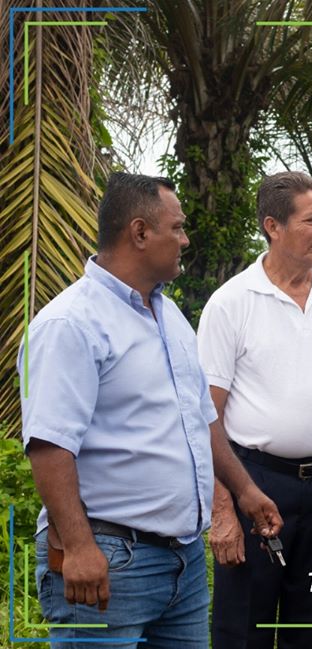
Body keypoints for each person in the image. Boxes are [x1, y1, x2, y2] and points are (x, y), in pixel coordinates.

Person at [18, 172, 282, 649]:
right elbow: (49, 445)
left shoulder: (169, 315)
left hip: (183, 563)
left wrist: (245, 490)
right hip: (109, 560)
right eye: (177, 228)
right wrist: (78, 546)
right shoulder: (69, 324)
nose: (185, 239)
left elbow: (200, 419)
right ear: (139, 233)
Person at [197, 171, 312, 649]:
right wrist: (223, 508)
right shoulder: (231, 303)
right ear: (273, 227)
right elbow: (205, 417)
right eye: (311, 220)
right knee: (245, 628)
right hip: (256, 485)